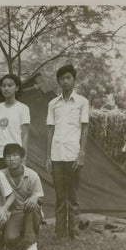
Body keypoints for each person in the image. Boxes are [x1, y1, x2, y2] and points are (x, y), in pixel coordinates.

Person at [46, 64, 89, 239]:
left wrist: (81, 154)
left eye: (68, 78)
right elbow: (50, 129)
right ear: (58, 81)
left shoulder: (82, 102)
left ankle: (75, 233)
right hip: (56, 155)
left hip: (73, 154)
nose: (65, 81)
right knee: (59, 196)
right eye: (62, 78)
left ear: (73, 79)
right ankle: (59, 233)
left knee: (73, 197)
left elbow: (85, 128)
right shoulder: (53, 104)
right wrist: (48, 156)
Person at [1, 144, 44, 250]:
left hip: (29, 210)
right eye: (8, 156)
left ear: (22, 158)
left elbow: (41, 198)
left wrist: (34, 198)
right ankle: (25, 235)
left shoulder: (32, 175)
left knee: (33, 205)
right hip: (14, 213)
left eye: (15, 155)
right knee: (9, 240)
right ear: (4, 159)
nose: (11, 159)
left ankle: (31, 241)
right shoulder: (0, 175)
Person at [0, 74, 30, 170]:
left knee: (14, 183)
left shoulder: (23, 108)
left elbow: (25, 135)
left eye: (10, 85)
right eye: (3, 86)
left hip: (15, 154)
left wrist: (24, 157)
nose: (6, 88)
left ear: (16, 88)